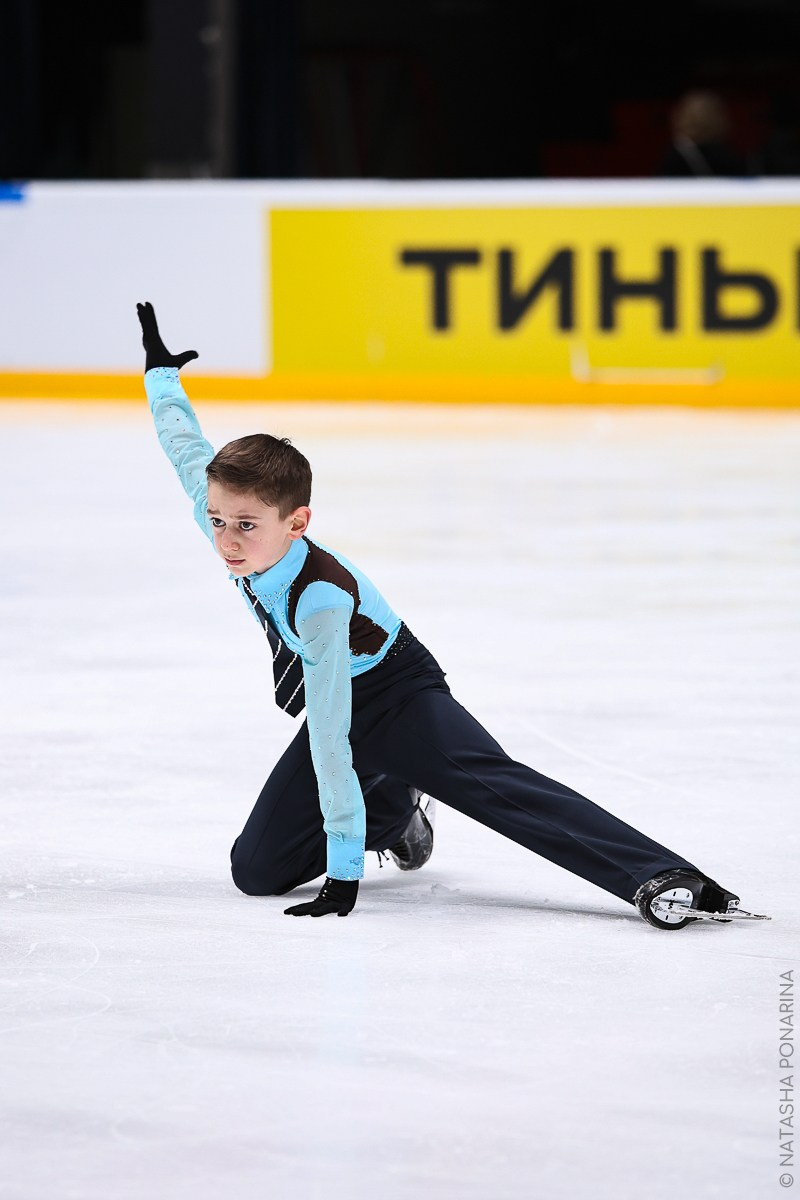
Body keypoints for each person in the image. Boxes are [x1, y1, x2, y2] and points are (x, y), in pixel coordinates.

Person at [136, 302, 768, 931]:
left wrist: (344, 874)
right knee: (255, 871)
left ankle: (660, 875)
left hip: (396, 694)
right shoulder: (229, 520)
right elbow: (187, 450)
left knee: (496, 788)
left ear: (296, 522)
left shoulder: (320, 599)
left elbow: (331, 737)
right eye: (218, 521)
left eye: (246, 525)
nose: (227, 540)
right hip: (339, 695)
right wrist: (162, 379)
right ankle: (395, 811)